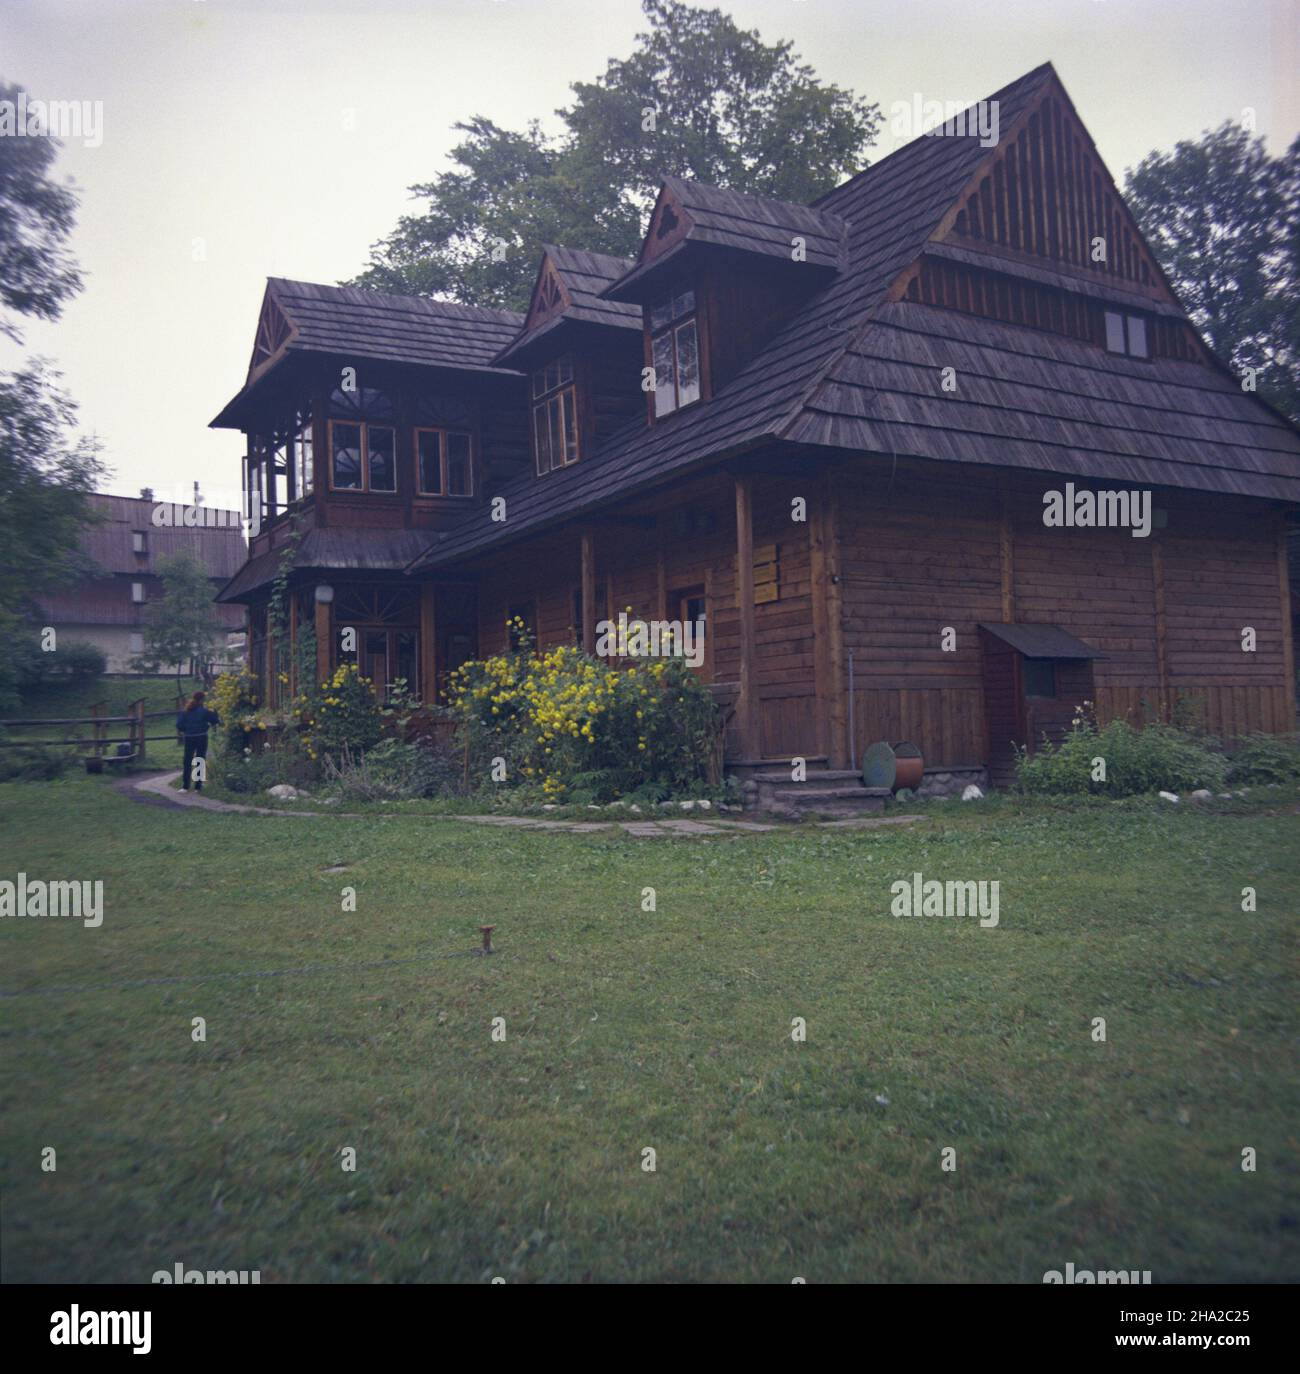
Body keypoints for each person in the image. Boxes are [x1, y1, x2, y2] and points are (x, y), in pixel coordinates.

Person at [176, 691, 220, 791]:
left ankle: (185, 786)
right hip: (201, 737)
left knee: (187, 760)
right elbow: (215, 720)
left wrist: (186, 730)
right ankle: (198, 786)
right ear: (202, 700)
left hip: (189, 737)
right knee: (200, 760)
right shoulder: (204, 711)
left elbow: (179, 725)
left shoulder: (186, 711)